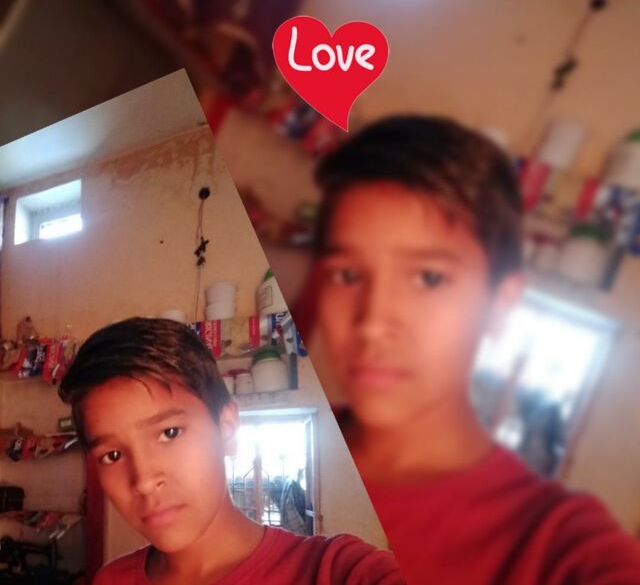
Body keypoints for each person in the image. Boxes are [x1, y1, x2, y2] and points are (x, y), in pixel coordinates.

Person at [305, 115, 640, 584]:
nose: (373, 322)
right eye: (347, 275)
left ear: (501, 304)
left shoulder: (557, 547)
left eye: (429, 278)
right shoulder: (296, 447)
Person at [58, 317, 404, 585]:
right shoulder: (111, 580)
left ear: (227, 428)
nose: (144, 481)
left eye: (169, 433)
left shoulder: (334, 571)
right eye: (112, 456)